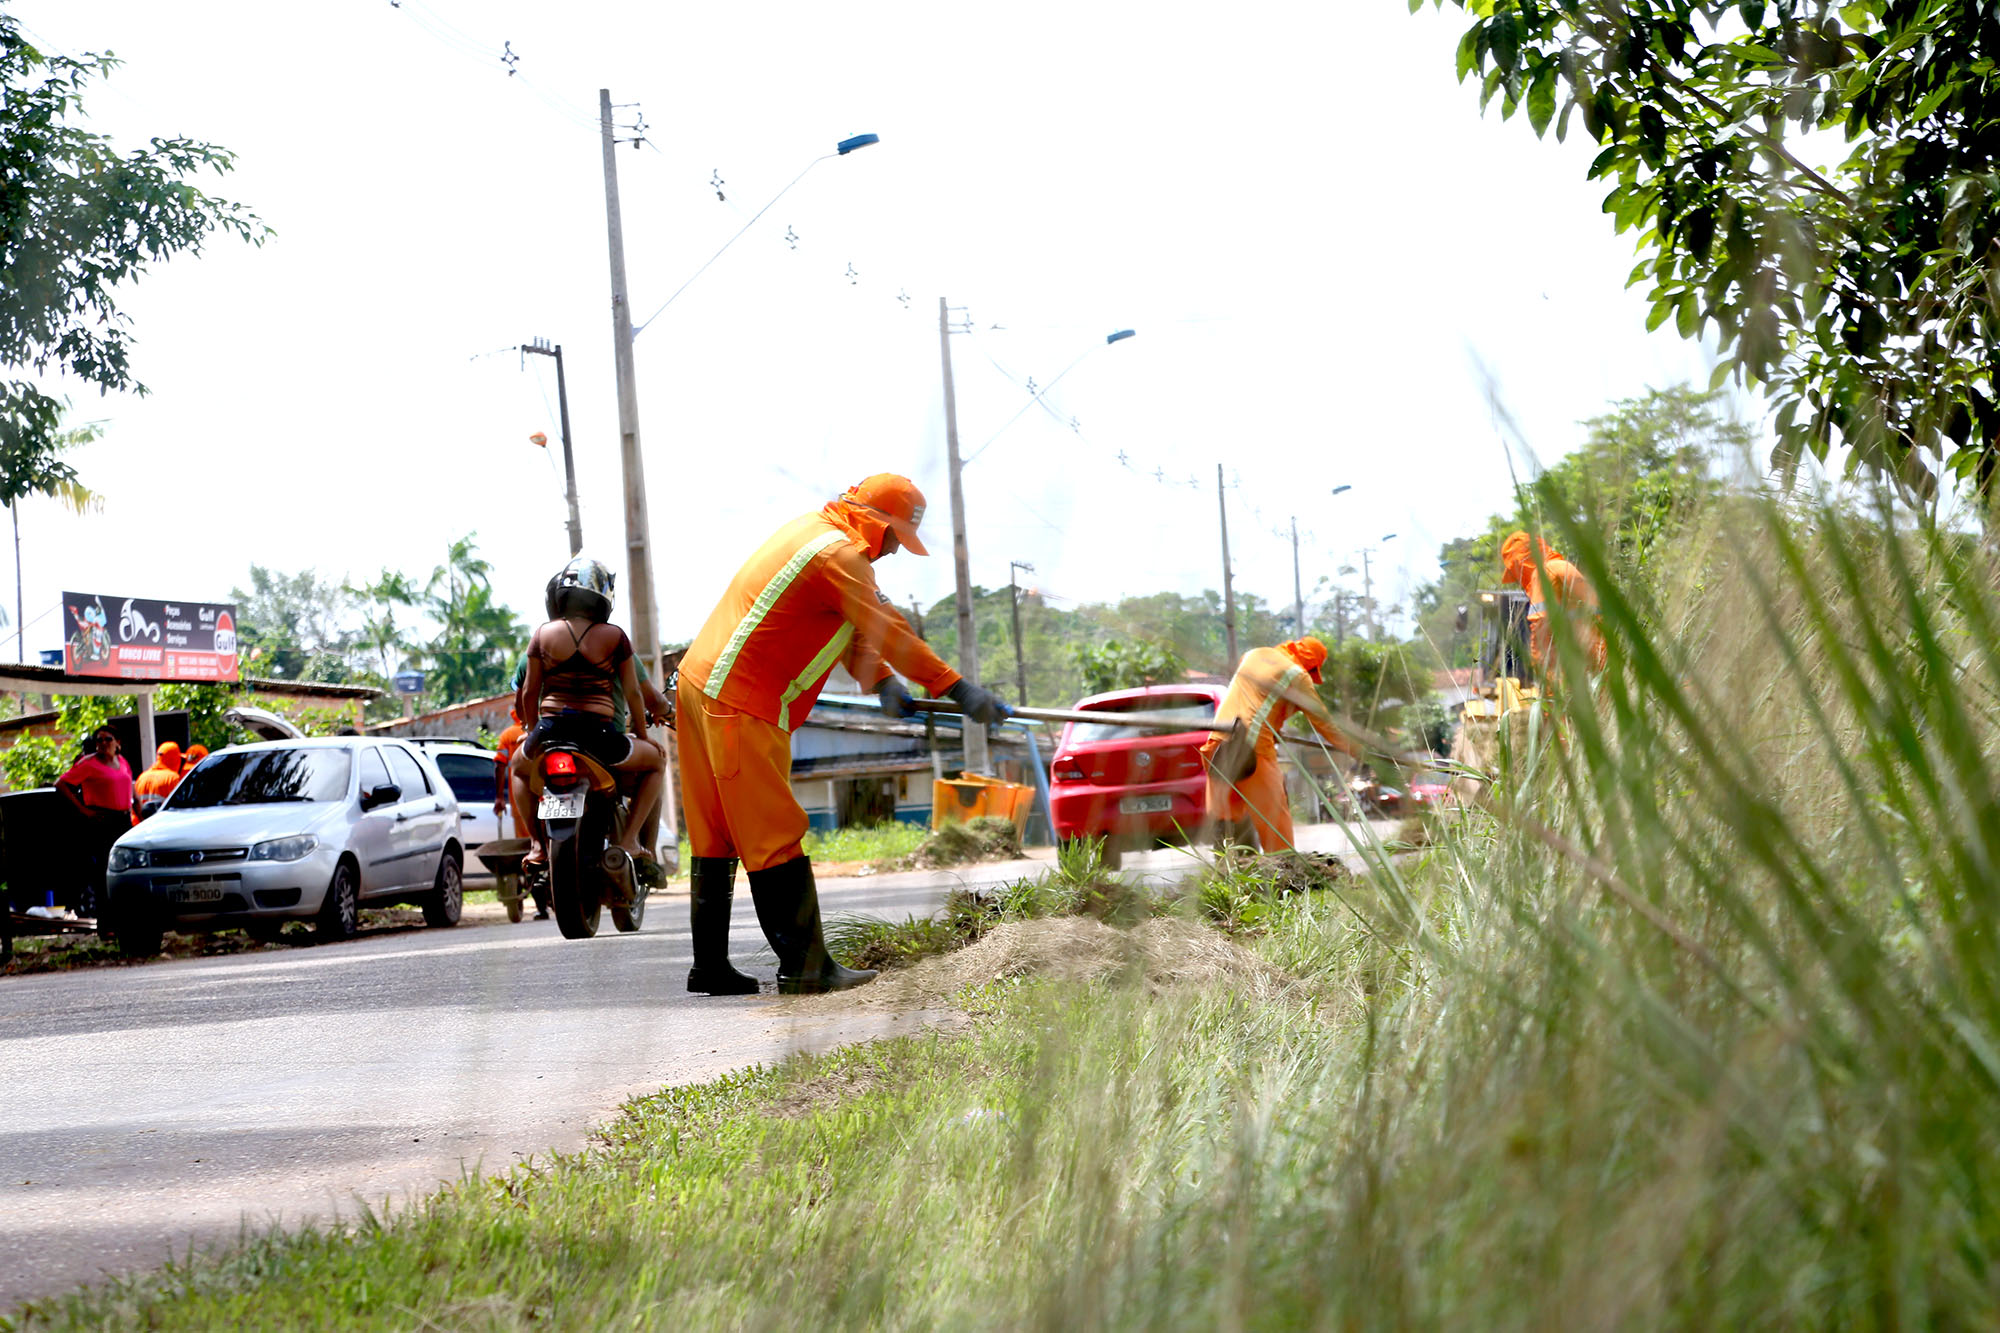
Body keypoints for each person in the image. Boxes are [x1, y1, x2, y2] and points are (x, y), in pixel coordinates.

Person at [677, 473, 1011, 995]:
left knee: (716, 832)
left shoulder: (814, 534)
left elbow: (850, 624)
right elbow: (886, 626)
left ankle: (711, 968)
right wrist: (959, 689)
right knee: (772, 833)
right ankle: (807, 967)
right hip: (740, 699)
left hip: (700, 685)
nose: (895, 552)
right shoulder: (840, 556)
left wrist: (880, 679)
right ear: (878, 524)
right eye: (897, 540)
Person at [512, 556, 669, 879]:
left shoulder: (542, 635)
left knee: (517, 768)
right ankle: (629, 843)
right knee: (656, 762)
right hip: (599, 736)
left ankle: (537, 846)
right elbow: (635, 694)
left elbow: (529, 692)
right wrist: (642, 736)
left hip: (550, 731)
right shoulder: (614, 637)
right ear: (602, 598)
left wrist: (530, 731)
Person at [1199, 637, 1357, 853]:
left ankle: (1232, 877)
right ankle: (1285, 873)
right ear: (1311, 666)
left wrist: (1274, 726)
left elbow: (1254, 698)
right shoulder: (1297, 675)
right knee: (1275, 822)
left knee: (1228, 820)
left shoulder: (1253, 654)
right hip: (1251, 752)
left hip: (1217, 744)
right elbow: (1324, 723)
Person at [1498, 530, 1606, 677]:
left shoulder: (1544, 574)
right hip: (1597, 663)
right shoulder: (1561, 567)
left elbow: (1542, 631)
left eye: (1515, 573)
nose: (1518, 580)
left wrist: (1545, 686)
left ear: (1521, 564)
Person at [57, 727, 137, 919]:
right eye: (99, 741)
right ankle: (106, 920)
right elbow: (61, 784)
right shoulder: (89, 764)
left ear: (118, 743)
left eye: (107, 740)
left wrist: (141, 815)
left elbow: (131, 791)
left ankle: (126, 915)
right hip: (103, 821)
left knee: (128, 866)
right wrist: (84, 810)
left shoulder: (123, 762)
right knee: (104, 869)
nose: (102, 744)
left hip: (124, 819)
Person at [132, 741, 185, 820]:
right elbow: (180, 808)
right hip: (163, 826)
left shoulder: (141, 777)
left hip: (141, 827)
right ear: (175, 760)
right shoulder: (173, 778)